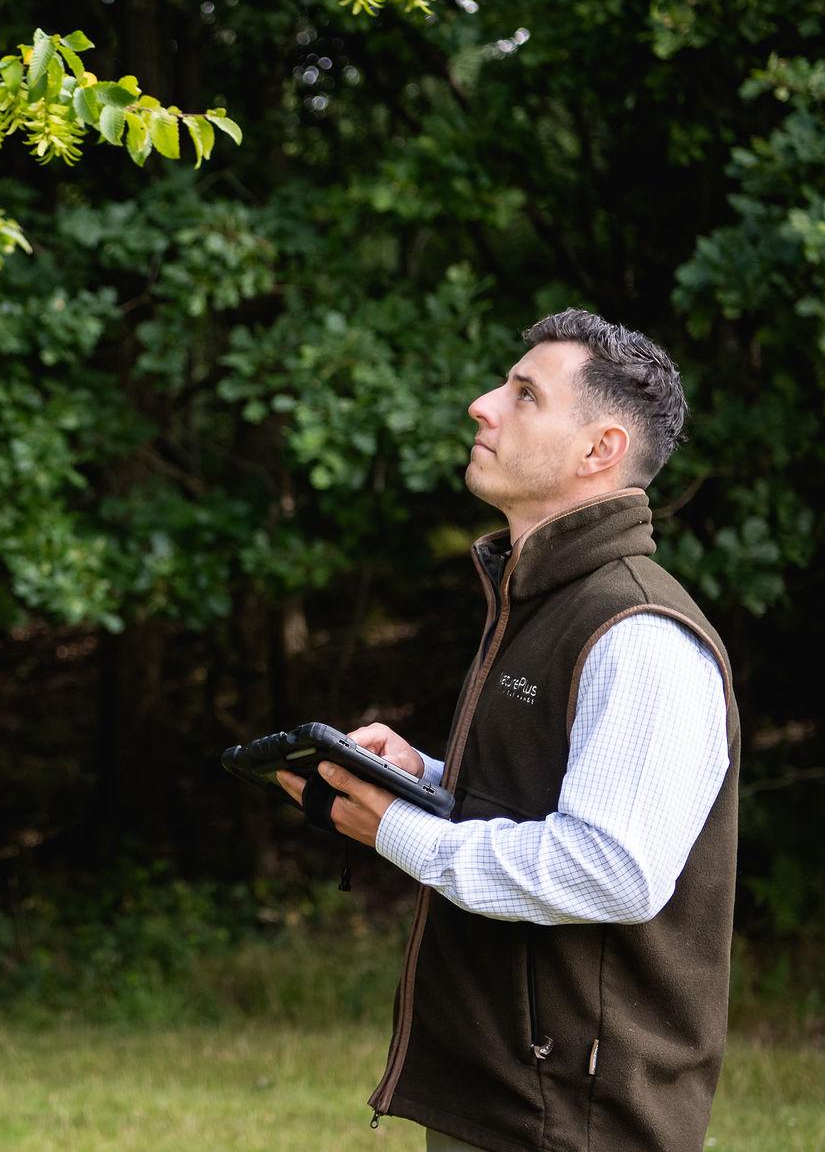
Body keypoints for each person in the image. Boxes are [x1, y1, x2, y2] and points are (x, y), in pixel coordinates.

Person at [275, 310, 739, 1152]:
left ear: (598, 449)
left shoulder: (639, 632)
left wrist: (400, 830)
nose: (481, 404)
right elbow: (550, 795)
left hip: (573, 1117)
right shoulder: (539, 602)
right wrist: (427, 775)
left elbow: (613, 869)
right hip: (501, 1096)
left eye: (524, 394)